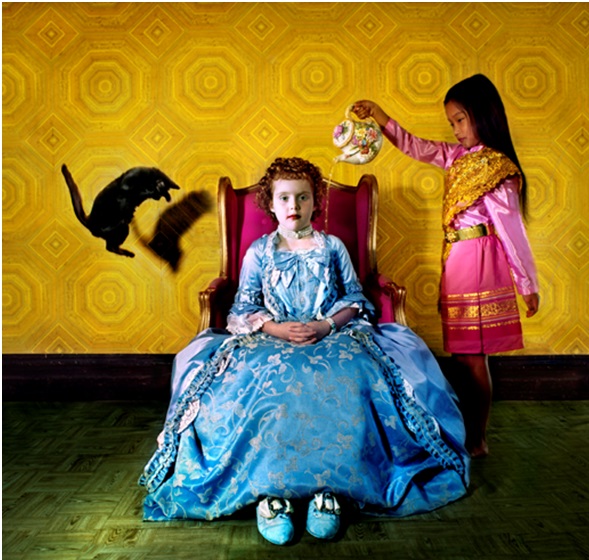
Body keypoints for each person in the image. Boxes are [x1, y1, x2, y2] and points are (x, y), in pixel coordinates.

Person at [139, 157, 470, 546]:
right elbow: (243, 307)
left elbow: (354, 298)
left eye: (302, 197)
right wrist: (276, 328)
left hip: (330, 332)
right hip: (271, 336)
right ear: (271, 204)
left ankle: (329, 491)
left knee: (350, 380)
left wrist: (326, 325)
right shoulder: (259, 252)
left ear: (316, 203)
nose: (293, 205)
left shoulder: (332, 247)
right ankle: (270, 494)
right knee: (256, 388)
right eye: (284, 198)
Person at [353, 74, 540, 458]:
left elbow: (512, 230)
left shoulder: (497, 168)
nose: (455, 130)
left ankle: (478, 438)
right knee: (460, 355)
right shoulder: (457, 157)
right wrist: (380, 116)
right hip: (455, 261)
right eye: (452, 122)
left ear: (483, 115)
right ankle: (465, 429)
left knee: (474, 355)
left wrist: (527, 284)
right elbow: (416, 146)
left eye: (460, 120)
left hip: (482, 262)